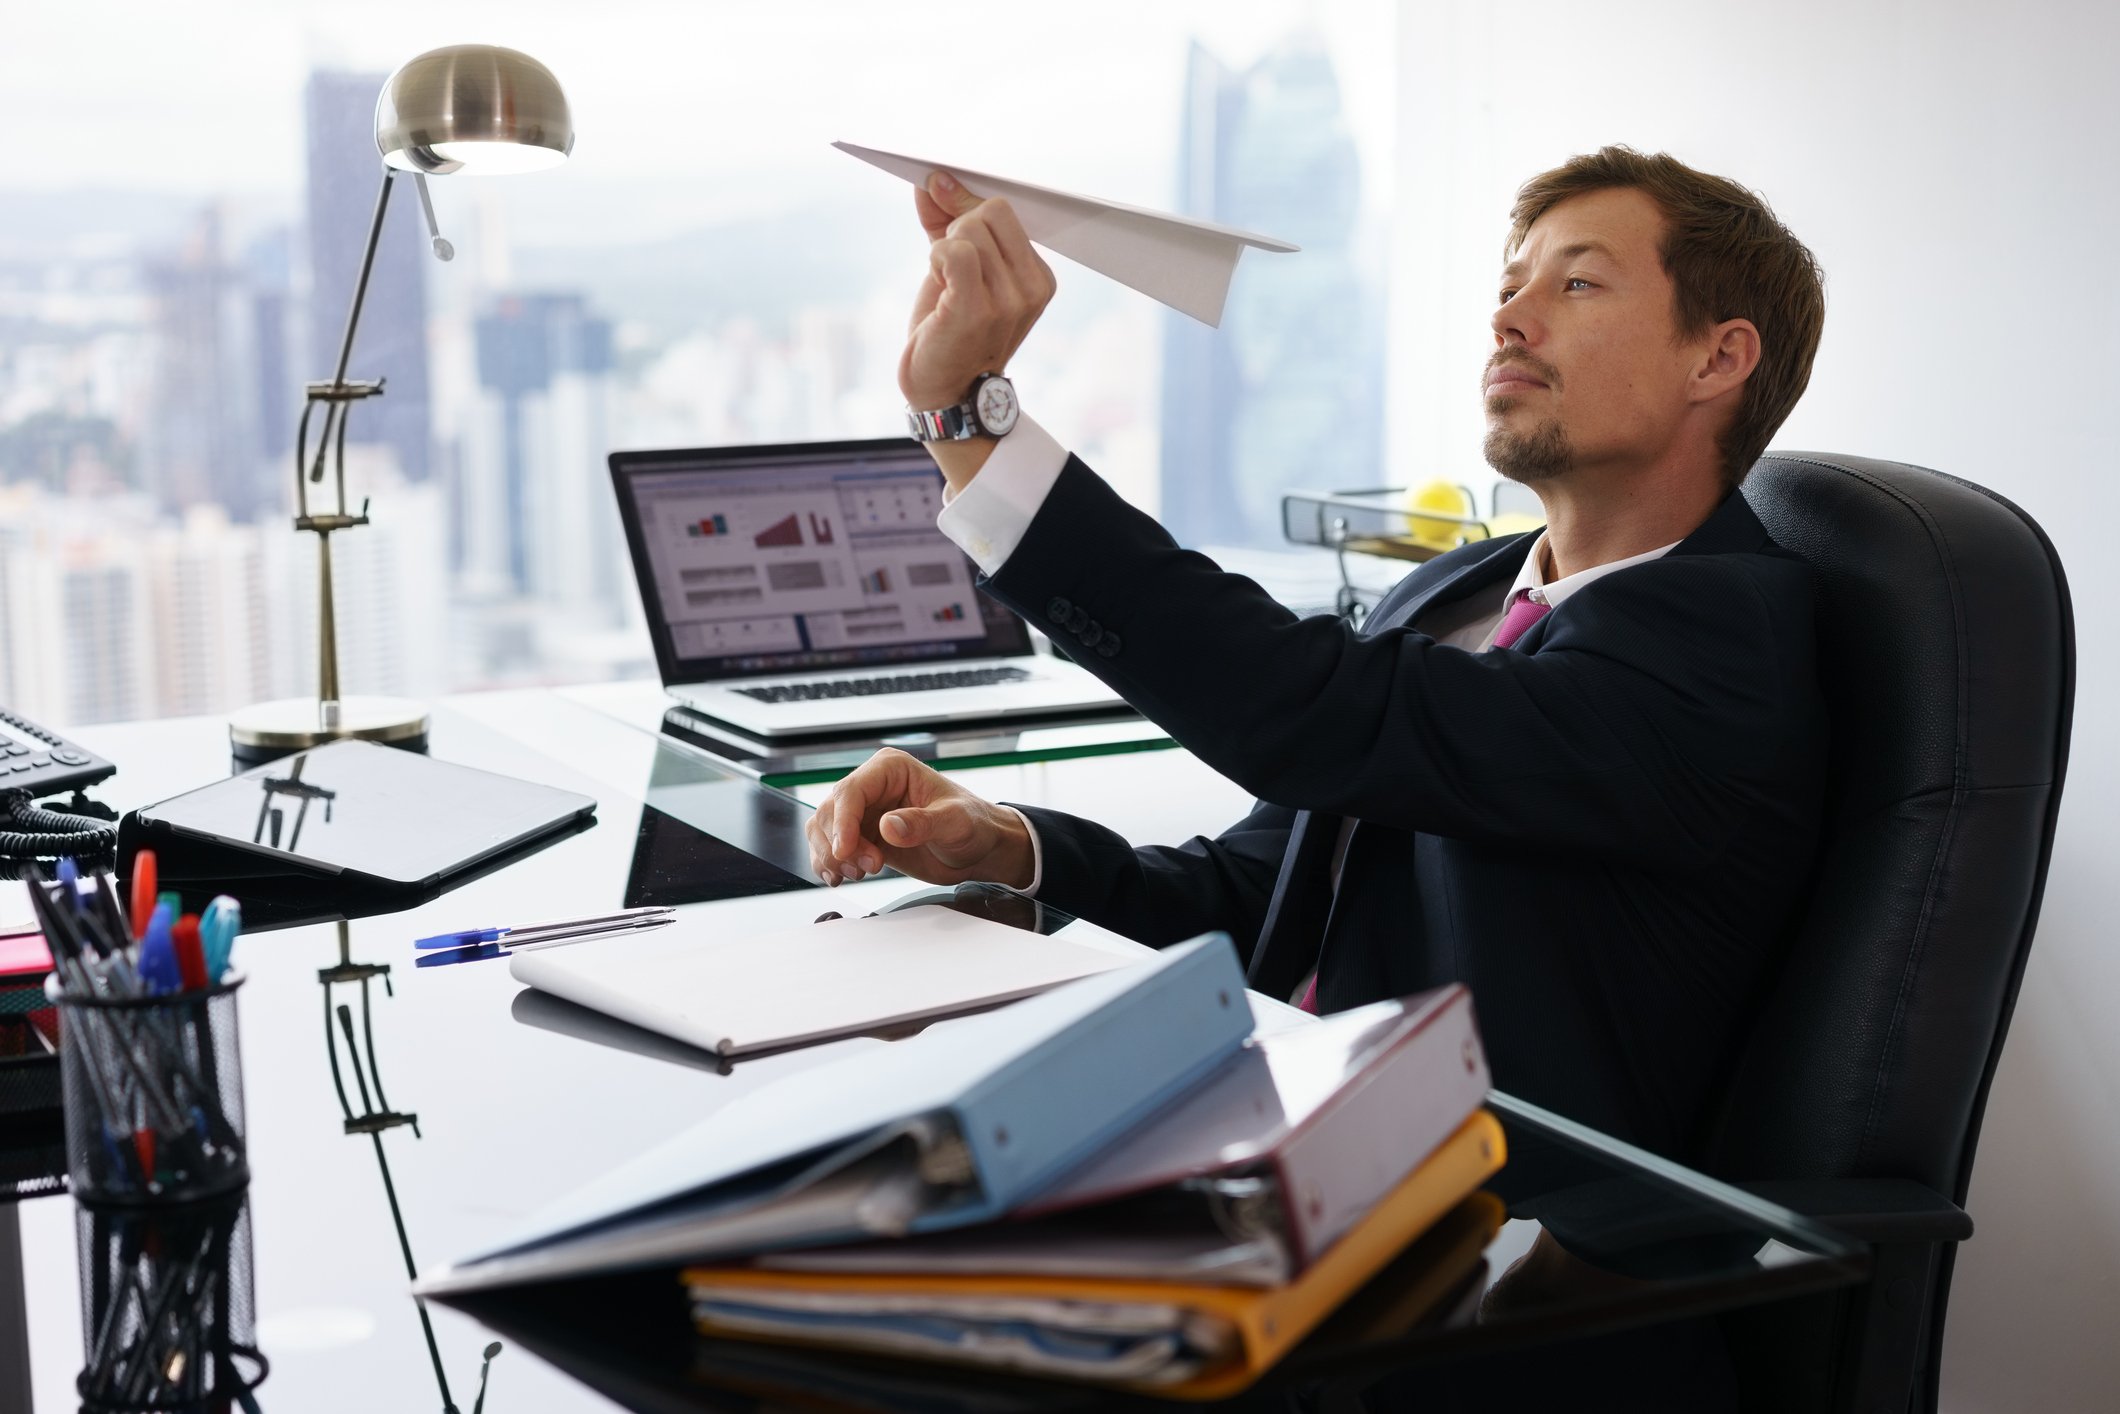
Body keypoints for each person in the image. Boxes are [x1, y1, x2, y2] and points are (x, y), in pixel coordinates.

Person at [805, 145, 1829, 1173]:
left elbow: (1306, 710)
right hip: (1270, 1129)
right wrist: (1010, 850)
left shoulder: (1729, 646)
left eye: (1574, 281)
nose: (1508, 318)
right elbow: (1265, 900)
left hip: (1492, 1230)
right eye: (1508, 285)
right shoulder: (1457, 592)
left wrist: (968, 421)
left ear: (1717, 358)